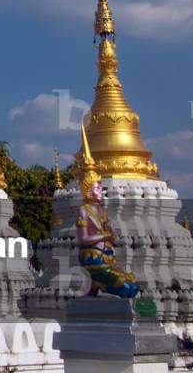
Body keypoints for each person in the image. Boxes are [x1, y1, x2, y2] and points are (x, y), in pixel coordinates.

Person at [75, 125, 140, 299]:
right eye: (98, 190)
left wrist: (109, 234)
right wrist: (104, 236)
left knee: (133, 286)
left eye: (101, 189)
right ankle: (95, 286)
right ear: (89, 191)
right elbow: (84, 239)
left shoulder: (101, 212)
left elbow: (111, 236)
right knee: (126, 288)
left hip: (107, 260)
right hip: (93, 261)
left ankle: (95, 291)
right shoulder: (84, 210)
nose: (101, 193)